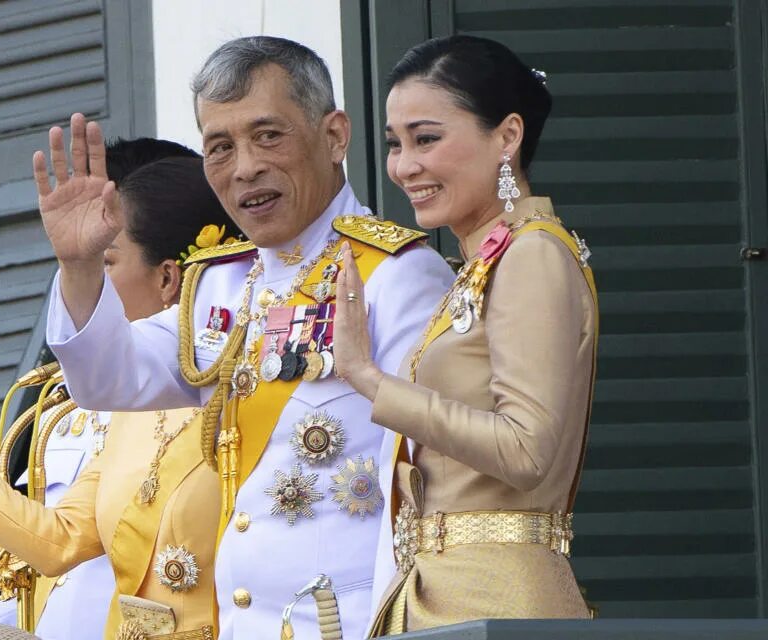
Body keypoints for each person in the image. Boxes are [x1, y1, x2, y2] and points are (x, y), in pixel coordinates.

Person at [40, 37, 454, 640]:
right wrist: (80, 267)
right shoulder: (220, 286)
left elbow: (433, 483)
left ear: (335, 136)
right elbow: (107, 379)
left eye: (268, 136)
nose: (245, 167)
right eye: (219, 147)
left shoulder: (396, 276)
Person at [0, 148, 237, 640]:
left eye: (102, 262)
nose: (82, 281)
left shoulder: (244, 388)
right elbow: (56, 546)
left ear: (169, 277)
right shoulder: (113, 415)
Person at [331, 34, 598, 634]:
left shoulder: (531, 254)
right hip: (449, 595)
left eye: (427, 139)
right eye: (396, 144)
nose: (404, 166)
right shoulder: (486, 262)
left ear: (507, 137)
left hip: (494, 599)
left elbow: (525, 451)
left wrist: (370, 380)